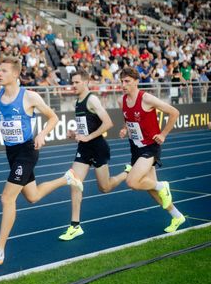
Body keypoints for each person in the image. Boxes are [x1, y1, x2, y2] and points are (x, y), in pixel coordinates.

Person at [0, 57, 83, 269]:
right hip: (11, 153)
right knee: (32, 196)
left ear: (15, 74)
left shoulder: (30, 96)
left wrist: (42, 134)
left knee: (7, 198)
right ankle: (67, 178)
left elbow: (53, 117)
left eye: (4, 70)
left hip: (27, 151)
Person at [59, 68, 131, 240]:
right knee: (75, 182)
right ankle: (75, 225)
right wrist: (74, 134)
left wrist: (88, 136)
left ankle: (127, 172)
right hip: (84, 149)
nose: (73, 85)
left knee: (104, 187)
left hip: (98, 147)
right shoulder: (78, 101)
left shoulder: (92, 100)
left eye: (77, 82)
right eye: (72, 82)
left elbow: (108, 123)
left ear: (86, 82)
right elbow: (87, 126)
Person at [119, 66, 185, 233]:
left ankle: (162, 186)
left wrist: (163, 134)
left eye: (127, 81)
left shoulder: (146, 98)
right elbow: (129, 118)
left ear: (136, 82)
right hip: (135, 147)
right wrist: (125, 128)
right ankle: (177, 216)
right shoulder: (123, 100)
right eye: (122, 81)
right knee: (150, 188)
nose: (123, 84)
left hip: (150, 147)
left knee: (132, 182)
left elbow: (174, 112)